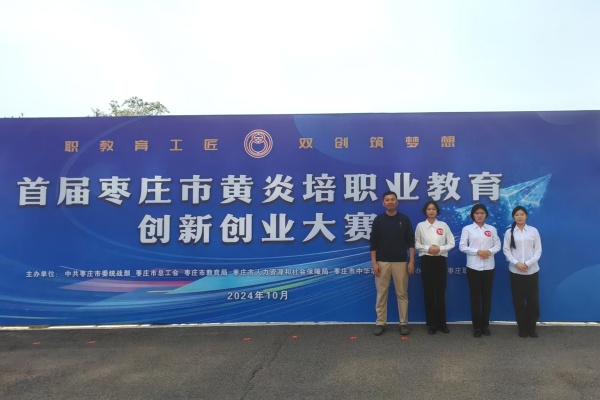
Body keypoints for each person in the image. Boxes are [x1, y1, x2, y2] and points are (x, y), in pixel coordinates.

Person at [369, 190, 415, 336]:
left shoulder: (404, 219)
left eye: (392, 199)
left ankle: (403, 323)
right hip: (382, 262)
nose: (390, 202)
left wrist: (411, 261)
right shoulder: (379, 220)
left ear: (397, 202)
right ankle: (380, 322)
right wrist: (374, 263)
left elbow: (411, 242)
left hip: (401, 262)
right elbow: (373, 243)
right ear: (383, 203)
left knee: (402, 293)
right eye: (387, 200)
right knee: (381, 293)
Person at [459, 203, 501, 338]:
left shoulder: (492, 229)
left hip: (488, 267)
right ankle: (477, 327)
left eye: (482, 213)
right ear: (473, 215)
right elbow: (462, 246)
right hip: (473, 267)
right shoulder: (467, 229)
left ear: (486, 215)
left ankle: (485, 326)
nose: (479, 215)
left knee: (487, 297)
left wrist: (489, 251)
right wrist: (478, 252)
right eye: (477, 213)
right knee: (475, 297)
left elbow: (498, 245)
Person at [415, 200, 455, 335]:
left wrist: (439, 248)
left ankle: (442, 323)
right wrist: (428, 248)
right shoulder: (421, 226)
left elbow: (451, 242)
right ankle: (432, 324)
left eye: (433, 209)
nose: (431, 211)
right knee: (429, 292)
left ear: (437, 211)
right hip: (426, 260)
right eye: (429, 209)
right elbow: (416, 243)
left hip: (440, 260)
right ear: (425, 211)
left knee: (440, 292)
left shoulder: (443, 225)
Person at [502, 206, 542, 338]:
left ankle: (532, 327)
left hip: (532, 271)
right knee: (518, 301)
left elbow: (538, 250)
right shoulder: (509, 232)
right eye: (517, 214)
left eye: (522, 214)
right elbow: (506, 250)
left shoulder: (533, 231)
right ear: (513, 217)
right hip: (515, 271)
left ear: (526, 216)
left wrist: (528, 263)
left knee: (533, 301)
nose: (519, 217)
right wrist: (517, 263)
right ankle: (522, 328)